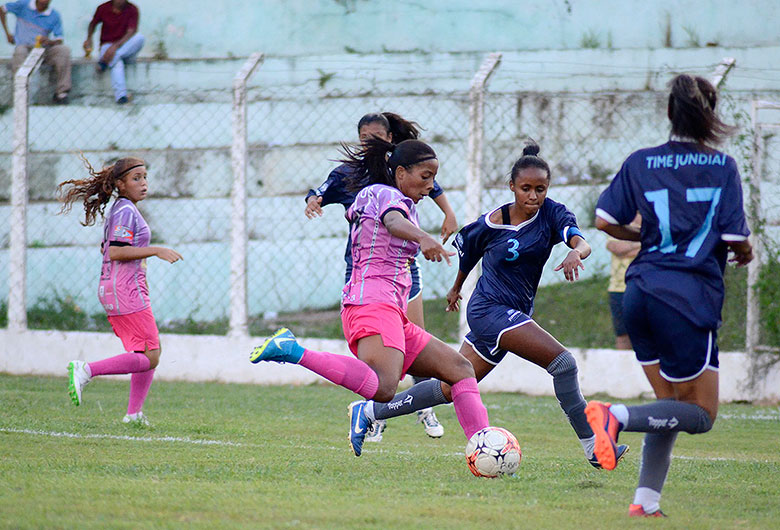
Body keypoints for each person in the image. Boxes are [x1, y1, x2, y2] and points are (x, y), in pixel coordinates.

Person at [349, 142, 629, 469]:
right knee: (564, 365)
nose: (533, 196)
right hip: (489, 311)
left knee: (451, 385)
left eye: (541, 189)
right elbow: (469, 253)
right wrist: (456, 288)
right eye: (526, 188)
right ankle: (594, 447)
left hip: (513, 315)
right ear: (512, 187)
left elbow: (581, 242)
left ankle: (368, 411)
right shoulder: (491, 223)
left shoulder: (554, 213)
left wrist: (574, 252)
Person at [251, 137, 490, 458]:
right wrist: (423, 238)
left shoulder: (377, 195)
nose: (430, 186)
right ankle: (292, 350)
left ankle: (483, 446)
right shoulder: (387, 195)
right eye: (425, 177)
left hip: (389, 309)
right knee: (383, 387)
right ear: (400, 172)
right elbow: (392, 221)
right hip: (371, 303)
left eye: (434, 178)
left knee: (460, 370)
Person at [588, 73, 753, 517]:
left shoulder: (641, 161)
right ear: (710, 115)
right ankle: (615, 416)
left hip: (638, 292)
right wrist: (746, 249)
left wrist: (648, 235)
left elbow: (604, 220)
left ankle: (645, 502)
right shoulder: (722, 166)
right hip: (687, 298)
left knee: (671, 406)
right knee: (701, 414)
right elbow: (736, 237)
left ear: (668, 113)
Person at [305, 112, 459, 441]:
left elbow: (435, 188)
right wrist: (312, 201)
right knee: (382, 362)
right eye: (365, 137)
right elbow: (321, 191)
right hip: (366, 273)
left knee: (415, 344)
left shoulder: (410, 170)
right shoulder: (356, 176)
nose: (371, 142)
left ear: (390, 139)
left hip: (403, 270)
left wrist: (449, 213)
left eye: (378, 136)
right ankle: (376, 414)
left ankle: (421, 406)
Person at [57, 156, 183, 425]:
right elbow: (115, 251)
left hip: (118, 289)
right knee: (151, 355)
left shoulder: (121, 209)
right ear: (120, 184)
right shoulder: (125, 210)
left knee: (145, 352)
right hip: (125, 291)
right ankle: (87, 369)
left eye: (145, 177)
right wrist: (157, 250)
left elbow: (107, 248)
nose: (144, 183)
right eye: (136, 179)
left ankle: (134, 414)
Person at [1, 0, 71, 103]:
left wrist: (49, 41)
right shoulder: (23, 5)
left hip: (43, 50)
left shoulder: (54, 15)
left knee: (64, 50)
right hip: (25, 48)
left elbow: (59, 39)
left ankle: (62, 93)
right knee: (20, 51)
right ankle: (21, 91)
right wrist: (7, 33)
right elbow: (2, 9)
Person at [83, 0, 144, 104]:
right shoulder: (103, 8)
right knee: (116, 62)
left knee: (140, 38)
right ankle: (121, 97)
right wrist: (89, 38)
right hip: (106, 46)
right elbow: (93, 24)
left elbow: (131, 32)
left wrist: (115, 47)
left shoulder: (133, 9)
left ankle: (105, 62)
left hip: (125, 47)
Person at [605, 214, 641, 350]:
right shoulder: (619, 227)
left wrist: (628, 247)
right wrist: (643, 243)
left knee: (647, 332)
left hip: (643, 288)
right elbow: (616, 248)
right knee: (622, 334)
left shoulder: (652, 226)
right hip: (619, 288)